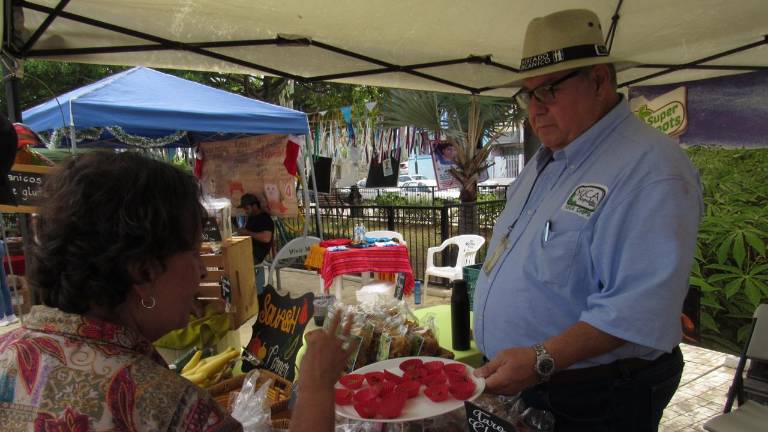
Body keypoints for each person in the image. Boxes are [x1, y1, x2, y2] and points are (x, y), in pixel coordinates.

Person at [0, 151, 352, 431]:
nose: (202, 271)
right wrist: (316, 386)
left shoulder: (8, 353)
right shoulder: (167, 406)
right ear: (143, 271)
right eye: (195, 253)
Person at [472, 9, 703, 431]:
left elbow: (640, 306)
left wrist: (540, 359)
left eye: (548, 91)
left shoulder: (652, 168)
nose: (535, 110)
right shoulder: (550, 158)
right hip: (531, 385)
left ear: (598, 81)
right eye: (527, 95)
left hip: (594, 397)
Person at [236, 193, 274, 294]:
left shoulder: (264, 218)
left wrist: (247, 232)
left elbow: (266, 238)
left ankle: (250, 292)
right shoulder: (251, 218)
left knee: (235, 263)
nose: (245, 211)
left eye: (246, 208)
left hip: (256, 253)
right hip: (248, 251)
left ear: (254, 206)